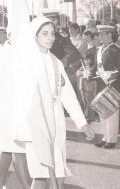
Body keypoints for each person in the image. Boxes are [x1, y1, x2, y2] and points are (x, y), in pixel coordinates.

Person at [11, 16, 94, 189]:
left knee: (58, 171)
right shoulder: (26, 62)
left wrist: (82, 123)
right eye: (45, 34)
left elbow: (68, 95)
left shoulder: (56, 62)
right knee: (42, 174)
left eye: (52, 34)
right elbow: (22, 98)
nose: (50, 38)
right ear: (35, 36)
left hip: (56, 122)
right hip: (36, 124)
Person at [0, 28, 31, 189]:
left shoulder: (28, 52)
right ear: (10, 34)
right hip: (4, 111)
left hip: (21, 110)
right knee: (17, 149)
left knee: (7, 149)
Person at [93, 24, 120, 149]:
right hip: (101, 83)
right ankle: (105, 137)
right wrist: (90, 72)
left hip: (112, 84)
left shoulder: (116, 50)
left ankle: (111, 139)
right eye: (99, 34)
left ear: (110, 35)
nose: (99, 36)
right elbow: (97, 66)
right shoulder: (99, 49)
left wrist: (111, 78)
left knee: (111, 112)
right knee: (102, 112)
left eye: (102, 34)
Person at [77, 30, 99, 122]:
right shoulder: (90, 50)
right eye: (96, 39)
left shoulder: (100, 50)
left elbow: (95, 65)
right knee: (84, 96)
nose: (97, 41)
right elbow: (85, 63)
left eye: (98, 39)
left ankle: (91, 116)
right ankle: (87, 114)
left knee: (90, 96)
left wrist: (90, 72)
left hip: (96, 76)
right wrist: (82, 70)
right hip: (88, 75)